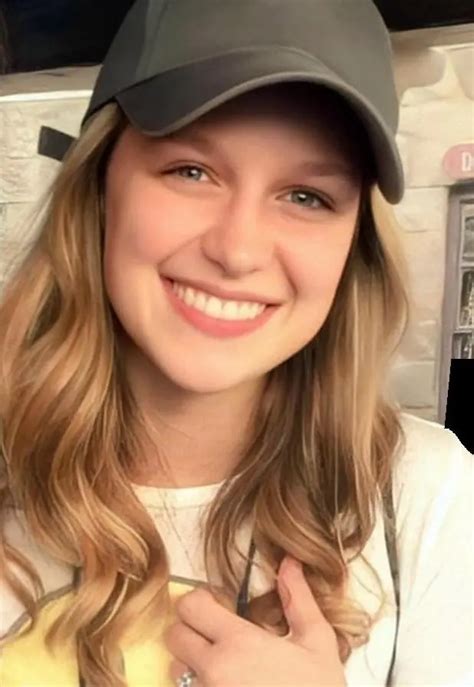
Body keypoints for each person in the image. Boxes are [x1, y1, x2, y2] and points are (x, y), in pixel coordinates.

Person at [0, 1, 472, 686]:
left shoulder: (430, 495)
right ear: (98, 187)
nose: (238, 250)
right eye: (191, 171)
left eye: (306, 196)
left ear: (354, 246)